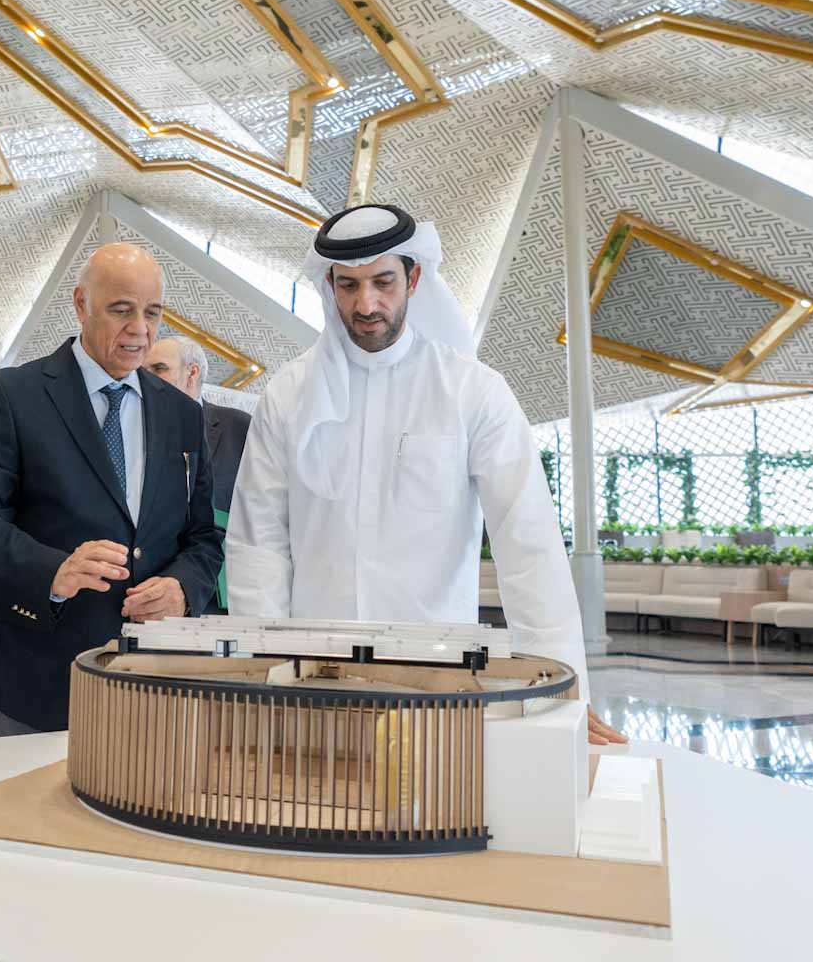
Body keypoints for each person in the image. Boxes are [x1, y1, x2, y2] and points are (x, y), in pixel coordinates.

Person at [225, 204, 622, 744]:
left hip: (436, 679)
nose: (366, 304)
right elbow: (258, 545)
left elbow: (528, 544)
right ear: (330, 287)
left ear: (413, 279)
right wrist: (259, 673)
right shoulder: (288, 395)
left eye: (383, 282)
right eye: (348, 285)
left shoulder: (473, 391)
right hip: (312, 679)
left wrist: (561, 689)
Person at [0, 243, 222, 737]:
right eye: (122, 310)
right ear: (81, 304)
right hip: (36, 682)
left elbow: (203, 536)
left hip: (154, 684)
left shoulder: (182, 414)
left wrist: (183, 589)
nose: (140, 329)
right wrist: (53, 571)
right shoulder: (12, 395)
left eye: (152, 313)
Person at [145, 336, 251, 514]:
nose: (147, 379)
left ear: (192, 374)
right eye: (142, 372)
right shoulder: (132, 427)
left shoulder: (239, 427)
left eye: (159, 369)